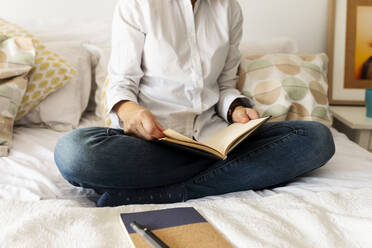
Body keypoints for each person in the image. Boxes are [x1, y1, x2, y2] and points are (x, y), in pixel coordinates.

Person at [54, 0, 335, 207]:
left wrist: (236, 108)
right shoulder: (137, 5)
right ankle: (234, 175)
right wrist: (131, 111)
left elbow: (224, 85)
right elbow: (121, 83)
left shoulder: (230, 9)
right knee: (73, 153)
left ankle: (169, 191)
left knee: (316, 138)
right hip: (152, 144)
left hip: (216, 139)